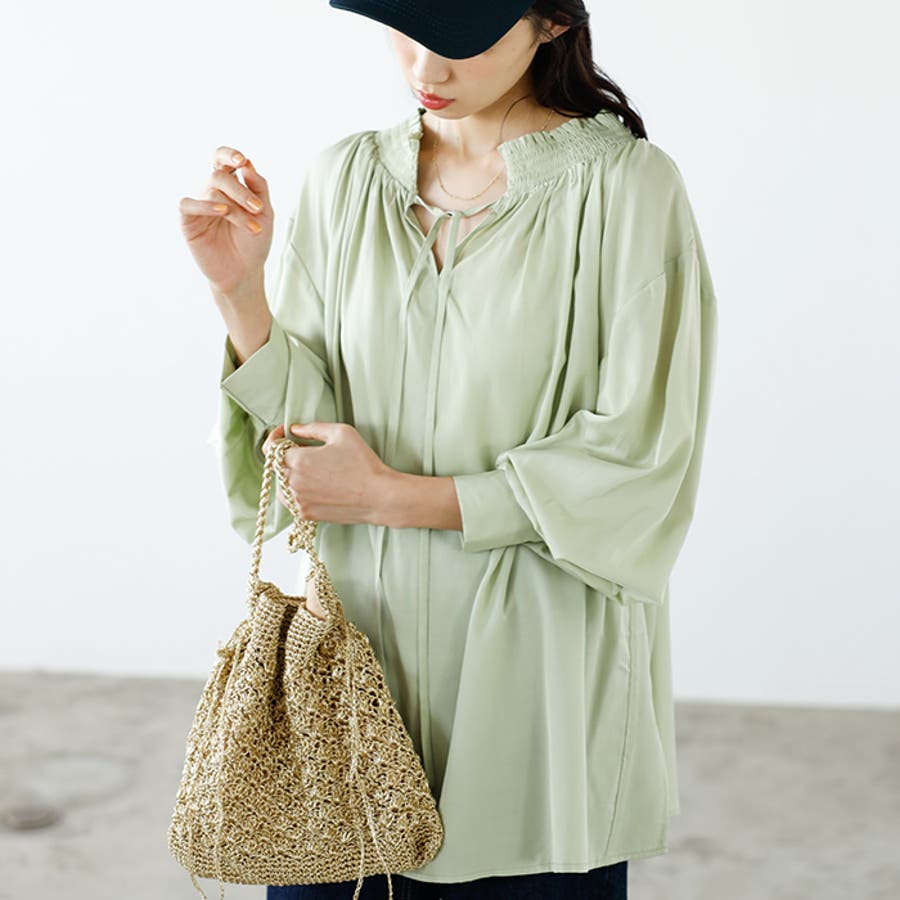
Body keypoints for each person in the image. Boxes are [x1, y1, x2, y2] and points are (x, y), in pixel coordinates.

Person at [178, 1, 718, 898]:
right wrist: (241, 294)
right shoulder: (347, 179)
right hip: (348, 683)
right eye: (404, 25)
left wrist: (394, 497)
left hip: (534, 691)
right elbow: (309, 437)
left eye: (462, 36)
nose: (426, 68)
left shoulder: (628, 191)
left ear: (551, 22)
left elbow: (640, 457)